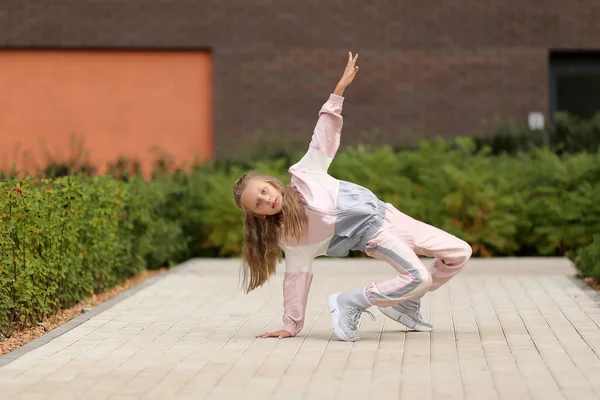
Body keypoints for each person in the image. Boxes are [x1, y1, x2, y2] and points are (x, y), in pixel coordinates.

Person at [232, 52, 472, 342]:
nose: (265, 200)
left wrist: (338, 92)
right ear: (257, 215)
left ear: (273, 184)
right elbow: (296, 280)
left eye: (264, 191)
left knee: (459, 253)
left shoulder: (306, 174)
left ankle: (404, 302)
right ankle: (352, 301)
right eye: (257, 204)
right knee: (418, 277)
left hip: (390, 215)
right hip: (374, 236)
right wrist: (291, 326)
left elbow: (323, 135)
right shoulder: (292, 239)